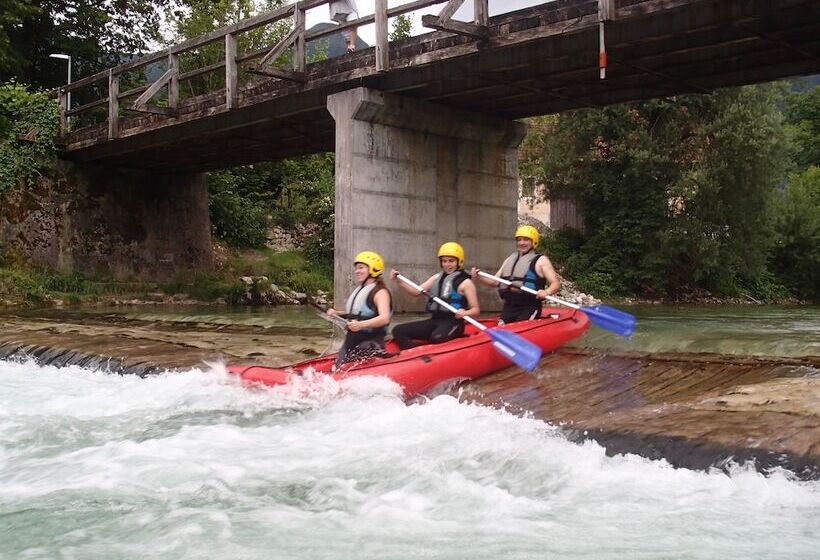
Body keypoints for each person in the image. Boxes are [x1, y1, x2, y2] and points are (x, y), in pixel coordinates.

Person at [390, 242, 480, 350]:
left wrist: (465, 313)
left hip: (454, 322)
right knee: (398, 330)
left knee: (437, 338)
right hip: (435, 320)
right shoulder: (436, 277)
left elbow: (476, 310)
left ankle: (455, 340)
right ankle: (414, 355)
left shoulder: (466, 282)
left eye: (451, 261)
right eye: (444, 261)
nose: (447, 264)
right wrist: (399, 281)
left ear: (459, 262)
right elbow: (416, 292)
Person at [471, 225, 561, 324]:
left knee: (520, 327)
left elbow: (555, 283)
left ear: (534, 242)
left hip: (528, 307)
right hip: (509, 307)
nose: (521, 243)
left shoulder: (541, 260)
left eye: (526, 240)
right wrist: (479, 277)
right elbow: (494, 282)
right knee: (502, 328)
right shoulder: (510, 259)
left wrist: (547, 292)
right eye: (519, 240)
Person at [327, 250, 392, 367]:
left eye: (361, 268)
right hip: (352, 340)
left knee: (347, 369)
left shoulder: (380, 292)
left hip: (370, 342)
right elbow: (356, 314)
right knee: (338, 368)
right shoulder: (361, 289)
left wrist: (361, 325)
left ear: (373, 269)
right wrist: (337, 313)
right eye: (356, 268)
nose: (357, 271)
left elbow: (384, 318)